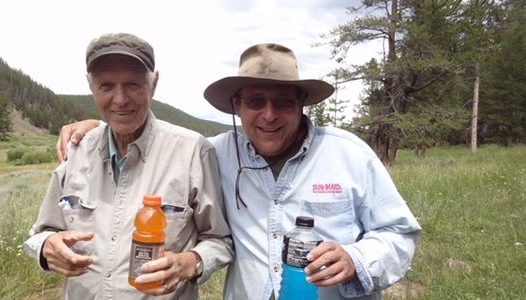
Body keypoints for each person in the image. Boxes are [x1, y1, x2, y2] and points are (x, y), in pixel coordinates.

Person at [57, 43, 421, 300]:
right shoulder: (214, 153)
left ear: (301, 104)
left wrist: (356, 259)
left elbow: (399, 233)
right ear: (236, 106)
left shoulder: (348, 154)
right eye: (255, 101)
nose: (268, 115)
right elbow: (158, 140)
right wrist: (101, 126)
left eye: (282, 102)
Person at [24, 32, 233, 300]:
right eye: (106, 86)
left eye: (133, 84)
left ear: (153, 84)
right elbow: (42, 232)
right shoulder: (76, 150)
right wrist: (45, 248)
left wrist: (188, 264)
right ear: (91, 87)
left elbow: (220, 240)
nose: (120, 99)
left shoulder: (192, 151)